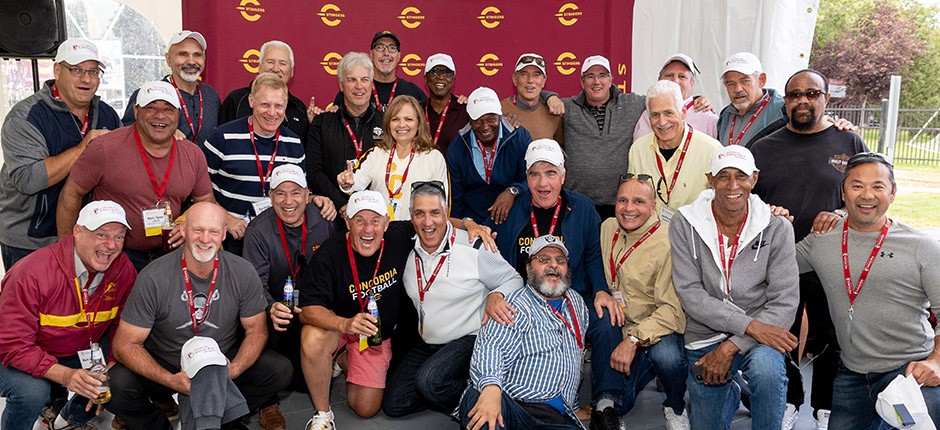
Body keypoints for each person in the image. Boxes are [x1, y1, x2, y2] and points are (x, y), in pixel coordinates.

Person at [298, 190, 493, 429]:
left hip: (374, 333)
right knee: (312, 336)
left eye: (375, 221)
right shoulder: (329, 253)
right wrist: (345, 324)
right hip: (337, 327)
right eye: (359, 220)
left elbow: (431, 221)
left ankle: (342, 360)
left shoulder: (399, 235)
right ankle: (323, 415)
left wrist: (469, 224)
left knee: (366, 408)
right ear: (348, 222)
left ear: (386, 223)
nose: (368, 229)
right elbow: (308, 310)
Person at [749, 68, 868, 429]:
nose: (803, 100)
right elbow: (745, 201)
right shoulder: (764, 147)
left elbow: (870, 193)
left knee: (833, 333)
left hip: (833, 258)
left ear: (826, 98)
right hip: (777, 260)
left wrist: (839, 212)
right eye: (795, 95)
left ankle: (824, 408)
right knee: (780, 331)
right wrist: (766, 211)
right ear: (785, 101)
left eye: (812, 94)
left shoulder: (849, 143)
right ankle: (789, 400)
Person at [106, 202, 292, 430]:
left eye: (214, 231)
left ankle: (220, 418)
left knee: (279, 370)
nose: (205, 239)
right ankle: (157, 424)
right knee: (115, 385)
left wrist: (233, 370)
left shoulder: (242, 271)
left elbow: (257, 330)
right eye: (198, 230)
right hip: (169, 364)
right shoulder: (153, 276)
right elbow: (124, 345)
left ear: (224, 234)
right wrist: (169, 379)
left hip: (220, 362)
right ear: (183, 231)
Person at [794, 152, 940, 428]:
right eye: (857, 186)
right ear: (843, 192)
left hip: (908, 374)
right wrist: (770, 218)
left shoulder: (921, 247)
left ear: (893, 193)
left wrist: (936, 362)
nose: (866, 195)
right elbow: (774, 266)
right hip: (851, 375)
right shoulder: (822, 239)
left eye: (878, 186)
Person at [493, 138, 627, 425]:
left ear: (563, 176)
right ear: (525, 177)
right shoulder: (511, 209)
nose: (543, 183)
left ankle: (606, 404)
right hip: (526, 303)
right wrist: (496, 294)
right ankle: (528, 397)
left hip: (572, 299)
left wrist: (602, 291)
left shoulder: (583, 208)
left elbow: (592, 256)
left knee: (608, 319)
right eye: (535, 174)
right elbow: (498, 261)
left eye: (551, 173)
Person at [669, 145, 799, 429]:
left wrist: (733, 344)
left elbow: (785, 301)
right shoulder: (684, 222)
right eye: (723, 176)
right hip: (706, 333)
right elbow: (690, 294)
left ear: (754, 178)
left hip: (760, 333)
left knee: (767, 371)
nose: (732, 185)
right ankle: (731, 392)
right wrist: (750, 326)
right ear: (710, 179)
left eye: (741, 176)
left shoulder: (777, 227)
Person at [382, 181, 523, 417]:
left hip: (469, 339)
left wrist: (496, 294)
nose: (428, 222)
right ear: (411, 217)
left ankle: (487, 400)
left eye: (435, 213)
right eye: (420, 214)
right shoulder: (406, 247)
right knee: (394, 404)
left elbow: (514, 279)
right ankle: (465, 387)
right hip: (428, 342)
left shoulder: (473, 245)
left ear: (446, 214)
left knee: (430, 380)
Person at [55, 81, 226, 273]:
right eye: (151, 107)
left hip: (170, 254)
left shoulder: (193, 154)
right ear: (136, 111)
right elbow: (71, 194)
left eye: (168, 109)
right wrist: (67, 250)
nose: (160, 115)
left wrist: (187, 221)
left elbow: (205, 203)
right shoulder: (105, 148)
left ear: (178, 115)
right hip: (114, 254)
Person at [0, 201, 135, 430]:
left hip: (76, 346)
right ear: (77, 232)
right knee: (32, 393)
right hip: (14, 350)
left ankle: (70, 421)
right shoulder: (30, 273)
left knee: (125, 371)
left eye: (119, 237)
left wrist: (110, 364)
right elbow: (12, 344)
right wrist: (66, 375)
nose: (111, 245)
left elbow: (121, 325)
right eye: (101, 234)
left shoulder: (123, 269)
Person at [0, 38, 121, 269]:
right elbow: (29, 180)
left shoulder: (107, 114)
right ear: (57, 70)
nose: (86, 79)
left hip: (88, 236)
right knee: (32, 304)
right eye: (76, 70)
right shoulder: (26, 116)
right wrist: (85, 147)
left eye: (93, 71)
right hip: (31, 240)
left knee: (78, 304)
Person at [460, 235, 588, 429]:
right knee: (480, 398)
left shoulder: (576, 303)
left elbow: (573, 359)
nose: (553, 265)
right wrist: (491, 388)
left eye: (560, 261)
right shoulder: (512, 305)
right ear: (528, 268)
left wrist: (573, 405)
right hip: (515, 408)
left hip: (554, 419)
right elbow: (491, 346)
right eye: (543, 259)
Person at [598, 176, 689, 430]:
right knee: (619, 405)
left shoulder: (668, 241)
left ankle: (675, 405)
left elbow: (672, 310)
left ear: (653, 206)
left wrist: (634, 340)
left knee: (668, 358)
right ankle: (646, 365)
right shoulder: (607, 228)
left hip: (659, 326)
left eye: (639, 201)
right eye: (622, 201)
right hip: (621, 324)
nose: (629, 208)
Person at [243, 164, 336, 393]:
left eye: (295, 193)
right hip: (277, 312)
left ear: (307, 195)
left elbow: (335, 272)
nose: (288, 201)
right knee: (286, 377)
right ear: (271, 195)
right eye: (280, 193)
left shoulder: (324, 221)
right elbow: (255, 285)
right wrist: (270, 307)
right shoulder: (257, 231)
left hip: (313, 308)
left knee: (309, 382)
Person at [547, 55, 646, 219]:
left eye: (602, 75)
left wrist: (696, 99)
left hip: (620, 204)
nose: (596, 81)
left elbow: (662, 97)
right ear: (582, 82)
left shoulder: (632, 103)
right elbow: (535, 96)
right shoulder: (568, 108)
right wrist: (549, 96)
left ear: (611, 79)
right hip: (577, 202)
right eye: (590, 76)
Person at [337, 95, 448, 220]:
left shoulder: (434, 158)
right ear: (388, 124)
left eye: (408, 119)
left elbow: (442, 203)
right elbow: (356, 182)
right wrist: (347, 183)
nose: (401, 125)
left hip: (417, 232)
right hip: (380, 231)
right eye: (395, 119)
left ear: (419, 123)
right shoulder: (377, 153)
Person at [628, 80, 722, 223]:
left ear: (683, 112)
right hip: (650, 238)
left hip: (692, 239)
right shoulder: (638, 149)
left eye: (668, 113)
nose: (662, 122)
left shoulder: (712, 151)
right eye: (655, 115)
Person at [307, 52, 384, 210]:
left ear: (371, 84)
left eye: (364, 79)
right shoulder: (321, 123)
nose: (359, 86)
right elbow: (314, 171)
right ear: (341, 85)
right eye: (351, 80)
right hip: (332, 211)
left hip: (378, 211)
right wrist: (342, 204)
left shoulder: (387, 123)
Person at [447, 86, 530, 225]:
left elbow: (531, 179)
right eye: (478, 121)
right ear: (469, 120)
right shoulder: (457, 147)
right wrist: (460, 230)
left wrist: (513, 190)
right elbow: (455, 200)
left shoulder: (519, 138)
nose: (485, 127)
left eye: (491, 119)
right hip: (472, 226)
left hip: (513, 223)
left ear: (500, 116)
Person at [123, 30, 220, 144]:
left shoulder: (211, 95)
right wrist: (159, 131)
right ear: (169, 59)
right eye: (183, 54)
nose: (191, 61)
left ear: (204, 58)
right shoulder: (148, 94)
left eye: (197, 55)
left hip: (205, 162)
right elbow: (126, 135)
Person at [219, 40, 312, 144]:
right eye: (270, 62)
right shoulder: (235, 100)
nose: (276, 69)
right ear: (259, 66)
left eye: (283, 63)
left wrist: (314, 123)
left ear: (292, 71)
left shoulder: (299, 109)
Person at [332, 31, 427, 111]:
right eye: (380, 47)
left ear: (398, 56)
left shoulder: (413, 92)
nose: (386, 53)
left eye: (392, 48)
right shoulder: (355, 90)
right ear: (371, 54)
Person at [635, 54, 719, 139]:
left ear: (692, 83)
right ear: (659, 80)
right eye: (669, 75)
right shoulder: (647, 114)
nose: (675, 81)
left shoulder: (708, 118)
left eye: (682, 76)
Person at [500, 53, 564, 143]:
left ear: (543, 81)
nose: (530, 80)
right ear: (515, 79)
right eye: (524, 74)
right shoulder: (499, 110)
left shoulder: (554, 111)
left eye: (536, 75)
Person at [421, 53, 469, 154]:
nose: (441, 77)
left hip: (453, 170)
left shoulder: (465, 111)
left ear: (453, 80)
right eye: (435, 72)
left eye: (447, 73)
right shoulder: (417, 111)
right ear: (426, 78)